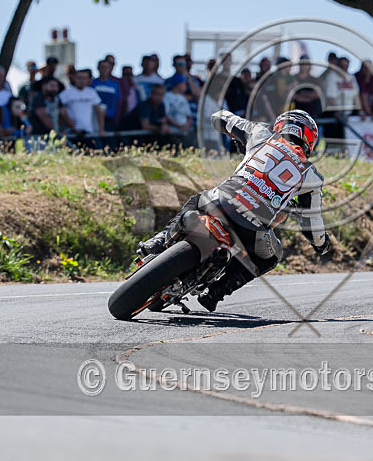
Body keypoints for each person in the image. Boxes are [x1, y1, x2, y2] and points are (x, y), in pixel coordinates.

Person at [137, 109, 330, 312]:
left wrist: (233, 135)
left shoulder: (260, 133)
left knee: (196, 200)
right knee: (272, 256)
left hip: (220, 200)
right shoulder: (312, 176)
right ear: (309, 140)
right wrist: (321, 244)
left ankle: (158, 241)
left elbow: (219, 117)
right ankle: (216, 292)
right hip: (254, 227)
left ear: (280, 126)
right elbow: (312, 225)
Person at [59, 69, 104, 143]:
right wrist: (70, 126)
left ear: (88, 80)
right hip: (71, 131)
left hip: (88, 131)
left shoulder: (92, 92)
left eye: (84, 78)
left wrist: (101, 129)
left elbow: (98, 111)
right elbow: (61, 112)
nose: (82, 80)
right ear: (74, 78)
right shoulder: (66, 93)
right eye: (79, 78)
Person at [91, 59, 121, 131]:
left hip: (110, 118)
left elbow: (117, 102)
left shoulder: (115, 84)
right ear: (98, 68)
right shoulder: (92, 83)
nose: (104, 70)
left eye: (106, 67)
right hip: (95, 118)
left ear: (110, 68)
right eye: (102, 67)